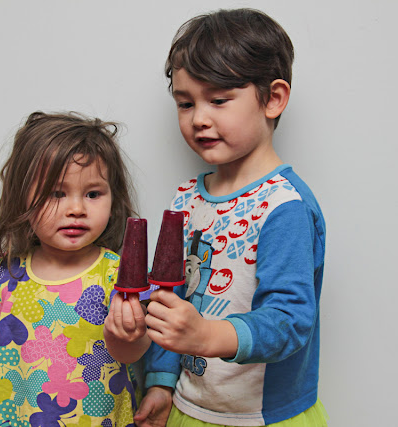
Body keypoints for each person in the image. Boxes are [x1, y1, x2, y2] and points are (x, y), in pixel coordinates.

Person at [109, 8, 328, 427]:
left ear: (273, 98)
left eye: (219, 100)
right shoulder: (186, 200)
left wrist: (208, 335)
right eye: (185, 103)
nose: (199, 119)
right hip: (189, 407)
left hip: (264, 417)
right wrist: (160, 382)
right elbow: (169, 302)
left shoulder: (285, 206)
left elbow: (290, 321)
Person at [0, 111, 157, 427]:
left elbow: (135, 353)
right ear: (23, 197)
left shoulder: (119, 276)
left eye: (93, 194)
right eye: (56, 194)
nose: (76, 209)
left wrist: (132, 335)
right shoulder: (4, 275)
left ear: (113, 198)